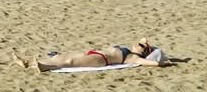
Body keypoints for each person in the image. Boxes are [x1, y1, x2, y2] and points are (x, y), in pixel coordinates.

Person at [11, 38, 174, 72]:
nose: (138, 43)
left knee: (70, 61)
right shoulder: (133, 50)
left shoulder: (133, 58)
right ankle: (26, 63)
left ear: (143, 52)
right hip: (94, 53)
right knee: (61, 57)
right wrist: (146, 45)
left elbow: (152, 63)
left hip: (100, 59)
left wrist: (163, 63)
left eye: (141, 46)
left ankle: (43, 67)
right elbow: (144, 38)